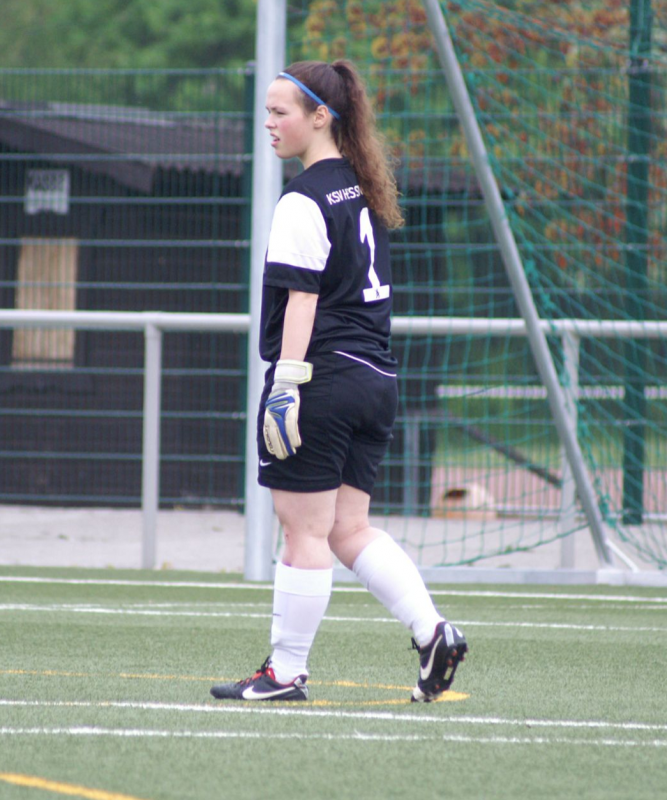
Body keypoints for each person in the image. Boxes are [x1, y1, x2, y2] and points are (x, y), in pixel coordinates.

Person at [211, 59, 467, 704]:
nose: (269, 123)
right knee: (348, 529)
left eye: (281, 112)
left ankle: (285, 673)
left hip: (322, 377)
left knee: (304, 531)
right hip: (374, 377)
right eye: (267, 111)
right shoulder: (363, 185)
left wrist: (286, 385)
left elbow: (302, 301)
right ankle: (432, 630)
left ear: (320, 117)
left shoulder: (304, 198)